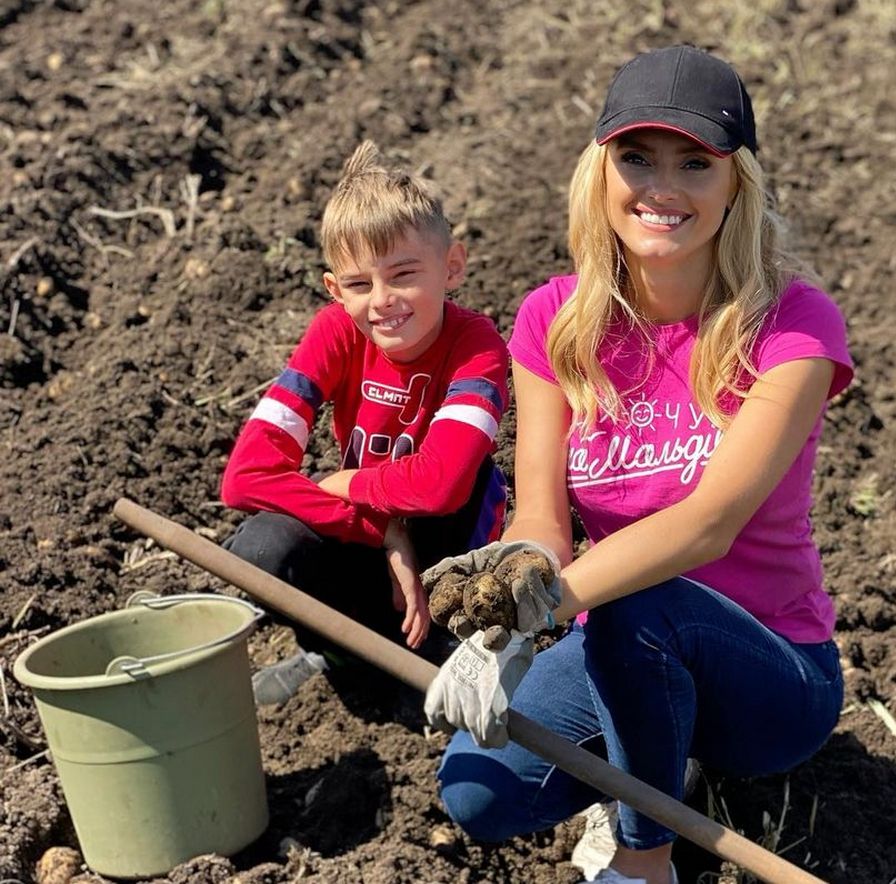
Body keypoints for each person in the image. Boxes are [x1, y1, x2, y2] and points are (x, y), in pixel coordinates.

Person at [421, 45, 855, 884]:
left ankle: (643, 858)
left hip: (769, 677)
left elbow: (706, 527)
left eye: (695, 164)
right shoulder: (555, 320)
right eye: (637, 158)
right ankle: (658, 762)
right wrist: (507, 600)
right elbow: (542, 519)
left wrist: (541, 614)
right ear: (601, 172)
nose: (662, 188)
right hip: (619, 643)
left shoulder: (793, 325)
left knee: (638, 599)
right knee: (479, 795)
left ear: (737, 184)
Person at [220, 141, 509, 705]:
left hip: (452, 544)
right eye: (359, 285)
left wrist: (346, 482)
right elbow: (245, 478)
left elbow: (439, 487)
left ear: (452, 266)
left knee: (461, 501)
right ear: (335, 290)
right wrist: (381, 530)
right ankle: (337, 652)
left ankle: (445, 648)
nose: (382, 301)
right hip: (369, 522)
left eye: (403, 274)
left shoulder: (476, 345)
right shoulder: (335, 332)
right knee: (259, 548)